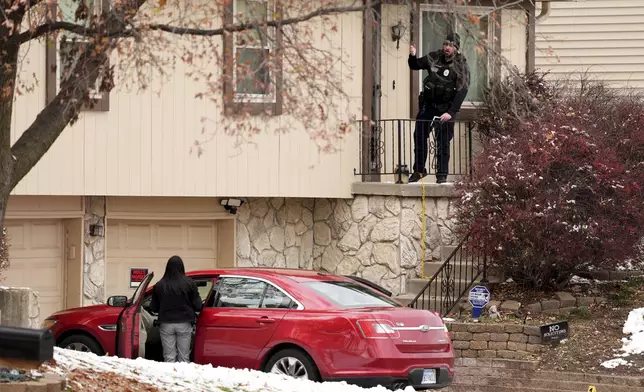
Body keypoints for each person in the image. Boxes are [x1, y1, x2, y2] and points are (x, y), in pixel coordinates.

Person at [408, 32, 470, 184]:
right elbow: (414, 65)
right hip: (429, 105)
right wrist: (412, 55)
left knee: (442, 141)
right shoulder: (434, 57)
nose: (447, 47)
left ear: (456, 47)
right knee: (419, 136)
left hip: (447, 108)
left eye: (450, 45)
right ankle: (419, 170)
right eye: (445, 44)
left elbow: (463, 90)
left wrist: (451, 112)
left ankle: (441, 175)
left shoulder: (461, 64)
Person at [149, 255, 202, 363]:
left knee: (169, 357)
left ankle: (170, 378)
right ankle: (182, 378)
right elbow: (198, 305)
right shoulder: (189, 283)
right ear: (182, 267)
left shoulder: (160, 285)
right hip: (184, 323)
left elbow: (153, 307)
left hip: (166, 324)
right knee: (184, 357)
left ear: (167, 268)